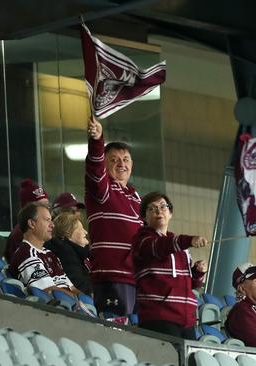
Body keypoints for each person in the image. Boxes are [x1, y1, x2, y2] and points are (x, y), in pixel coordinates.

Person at [85, 117, 143, 316]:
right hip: (112, 277)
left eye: (125, 159)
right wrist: (97, 141)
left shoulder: (138, 198)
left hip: (137, 279)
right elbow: (94, 169)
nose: (121, 164)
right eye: (114, 159)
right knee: (115, 333)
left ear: (132, 164)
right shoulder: (102, 189)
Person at [132, 192, 208, 339]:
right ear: (144, 218)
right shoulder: (142, 240)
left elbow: (190, 284)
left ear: (171, 213)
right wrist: (188, 240)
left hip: (186, 320)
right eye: (152, 208)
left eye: (163, 207)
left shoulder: (180, 248)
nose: (158, 211)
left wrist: (198, 273)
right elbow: (158, 247)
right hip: (159, 317)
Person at [9, 202, 80, 296]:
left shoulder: (49, 254)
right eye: (47, 220)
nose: (52, 225)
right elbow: (48, 291)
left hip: (70, 305)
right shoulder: (26, 253)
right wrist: (80, 303)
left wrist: (88, 301)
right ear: (32, 224)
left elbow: (71, 287)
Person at [45, 212, 93, 295]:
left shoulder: (79, 253)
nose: (86, 232)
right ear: (68, 233)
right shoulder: (65, 252)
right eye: (81, 228)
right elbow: (79, 285)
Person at [5, 179, 49, 262]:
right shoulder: (22, 233)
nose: (46, 210)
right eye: (41, 206)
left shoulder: (43, 228)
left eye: (47, 205)